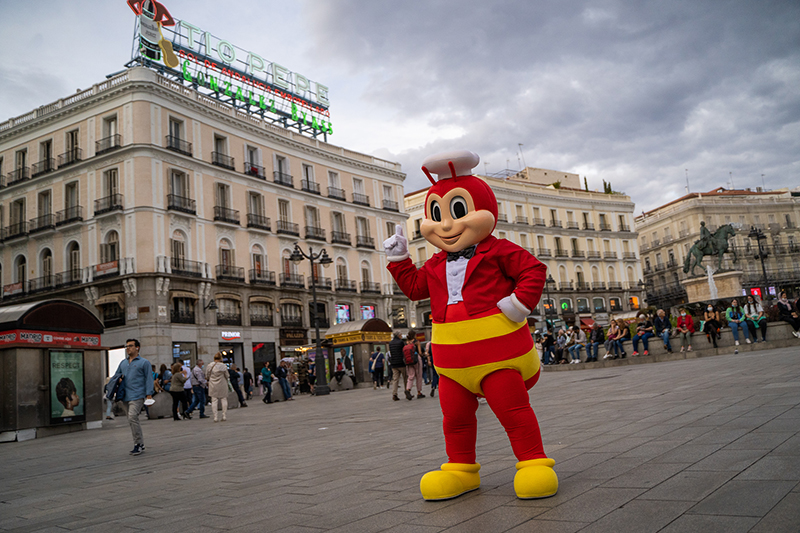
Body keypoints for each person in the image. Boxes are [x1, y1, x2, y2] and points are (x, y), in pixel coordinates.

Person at [108, 339, 154, 455]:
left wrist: (149, 395)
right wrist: (117, 380)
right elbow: (116, 375)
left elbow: (149, 379)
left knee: (132, 417)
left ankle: (138, 444)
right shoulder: (123, 363)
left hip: (138, 395)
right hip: (125, 396)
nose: (128, 348)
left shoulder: (144, 363)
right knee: (131, 419)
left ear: (137, 347)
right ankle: (141, 443)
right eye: (126, 346)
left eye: (131, 346)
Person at [205, 353, 232, 422]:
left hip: (213, 384)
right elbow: (227, 375)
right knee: (224, 399)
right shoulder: (223, 366)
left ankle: (215, 417)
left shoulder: (210, 365)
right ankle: (224, 415)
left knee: (214, 400)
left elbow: (207, 375)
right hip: (222, 383)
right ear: (221, 358)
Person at [388, 332, 411, 401]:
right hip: (401, 363)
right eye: (401, 335)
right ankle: (407, 392)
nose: (401, 336)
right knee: (405, 378)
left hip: (394, 364)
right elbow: (404, 351)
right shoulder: (401, 342)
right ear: (398, 335)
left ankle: (394, 394)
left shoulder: (390, 343)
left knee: (395, 379)